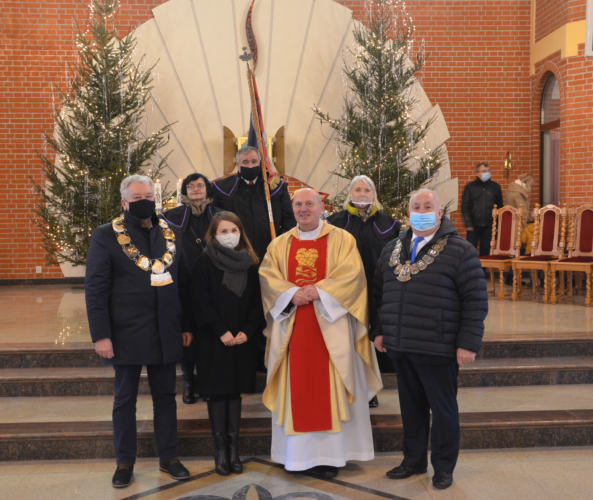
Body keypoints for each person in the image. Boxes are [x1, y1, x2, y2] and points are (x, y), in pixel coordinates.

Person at [259, 188, 383, 479]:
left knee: (330, 387)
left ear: (321, 206)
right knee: (298, 388)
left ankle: (331, 456)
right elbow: (267, 277)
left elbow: (352, 275)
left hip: (332, 328)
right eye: (298, 204)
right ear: (293, 208)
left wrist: (321, 291)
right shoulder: (279, 244)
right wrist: (290, 294)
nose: (304, 209)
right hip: (292, 328)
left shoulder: (342, 239)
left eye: (309, 204)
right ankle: (296, 457)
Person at [370, 188, 488, 490]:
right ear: (409, 213)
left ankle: (444, 466)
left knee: (443, 409)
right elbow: (379, 294)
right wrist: (380, 330)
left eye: (428, 206)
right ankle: (413, 460)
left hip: (439, 344)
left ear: (440, 213)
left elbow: (475, 300)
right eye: (415, 206)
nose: (421, 211)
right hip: (401, 342)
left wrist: (468, 343)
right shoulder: (391, 248)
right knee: (411, 408)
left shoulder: (460, 250)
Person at [85, 175, 193, 488]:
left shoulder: (174, 233)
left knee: (165, 398)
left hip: (166, 329)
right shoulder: (106, 235)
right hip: (125, 332)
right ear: (124, 202)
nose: (144, 200)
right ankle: (124, 462)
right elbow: (95, 288)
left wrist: (186, 327)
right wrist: (101, 335)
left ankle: (169, 457)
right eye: (137, 197)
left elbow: (183, 283)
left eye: (148, 195)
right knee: (124, 400)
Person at [190, 211, 265, 476]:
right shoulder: (204, 262)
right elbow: (200, 302)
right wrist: (221, 330)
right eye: (223, 231)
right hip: (215, 339)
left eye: (234, 230)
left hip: (243, 339)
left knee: (235, 392)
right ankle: (220, 451)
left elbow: (259, 302)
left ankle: (234, 450)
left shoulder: (251, 263)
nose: (229, 236)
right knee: (217, 390)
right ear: (213, 235)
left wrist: (249, 329)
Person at [328, 175, 400, 407]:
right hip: (345, 293)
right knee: (348, 338)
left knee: (372, 339)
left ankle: (371, 390)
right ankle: (347, 386)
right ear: (350, 194)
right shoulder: (334, 222)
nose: (361, 194)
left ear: (373, 194)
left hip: (377, 291)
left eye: (366, 190)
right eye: (357, 190)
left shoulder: (389, 224)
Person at [161, 173, 222, 404]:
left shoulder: (219, 215)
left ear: (207, 189)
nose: (196, 189)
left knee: (207, 332)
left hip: (212, 280)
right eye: (191, 186)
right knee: (187, 332)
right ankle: (188, 383)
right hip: (183, 279)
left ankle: (206, 382)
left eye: (200, 185)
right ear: (184, 190)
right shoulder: (170, 216)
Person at [212, 145, 296, 261]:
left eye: (254, 161)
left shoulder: (276, 188)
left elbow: (289, 220)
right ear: (237, 165)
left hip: (270, 252)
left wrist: (279, 242)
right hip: (235, 254)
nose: (250, 166)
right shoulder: (222, 189)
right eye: (245, 162)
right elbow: (214, 222)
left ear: (260, 163)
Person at [461, 162, 503, 256]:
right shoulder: (470, 187)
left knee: (485, 252)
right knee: (470, 251)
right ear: (477, 173)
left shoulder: (495, 187)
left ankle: (482, 271)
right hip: (473, 225)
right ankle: (471, 270)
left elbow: (500, 207)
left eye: (488, 171)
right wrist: (468, 224)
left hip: (489, 225)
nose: (486, 173)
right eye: (484, 171)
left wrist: (497, 226)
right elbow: (465, 207)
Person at [504, 173, 535, 286]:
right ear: (527, 183)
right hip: (519, 225)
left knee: (517, 251)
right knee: (520, 250)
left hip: (512, 224)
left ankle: (512, 276)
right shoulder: (519, 193)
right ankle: (513, 277)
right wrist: (531, 216)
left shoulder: (512, 189)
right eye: (531, 184)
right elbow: (523, 212)